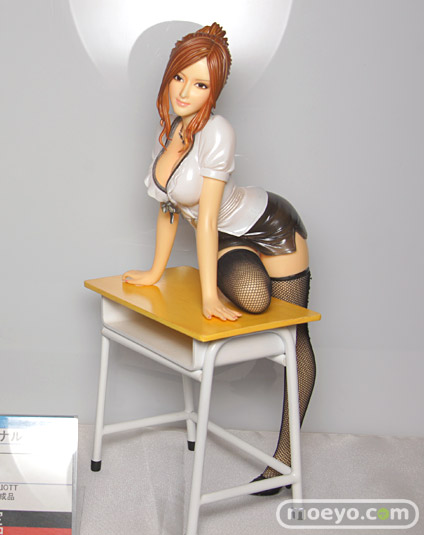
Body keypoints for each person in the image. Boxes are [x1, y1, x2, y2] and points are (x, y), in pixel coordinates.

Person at [122, 23, 315, 495]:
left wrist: (208, 293)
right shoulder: (169, 130)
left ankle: (285, 458)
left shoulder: (218, 132)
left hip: (270, 226)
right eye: (179, 78)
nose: (185, 92)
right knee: (253, 298)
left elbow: (206, 221)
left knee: (294, 338)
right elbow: (169, 208)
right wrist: (154, 272)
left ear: (216, 91)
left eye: (200, 84)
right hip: (230, 241)